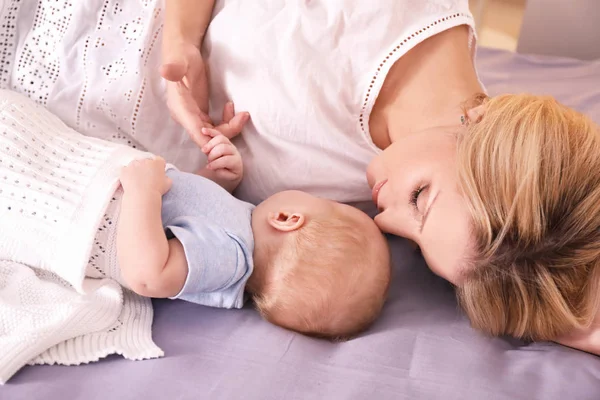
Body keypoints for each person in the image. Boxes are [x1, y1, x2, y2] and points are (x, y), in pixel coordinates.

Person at [4, 2, 600, 351]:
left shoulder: (379, 191)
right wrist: (183, 41)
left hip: (40, 124)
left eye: (412, 239)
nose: (386, 218)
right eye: (420, 200)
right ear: (488, 124)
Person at [0, 89, 391, 339]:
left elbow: (148, 274)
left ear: (288, 218)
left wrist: (143, 193)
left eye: (329, 204)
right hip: (80, 179)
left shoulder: (230, 259)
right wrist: (218, 180)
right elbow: (186, 218)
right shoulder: (234, 236)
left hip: (77, 204)